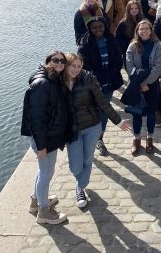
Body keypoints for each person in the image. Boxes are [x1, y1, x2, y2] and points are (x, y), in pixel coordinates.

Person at [63, 53, 131, 208]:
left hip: (92, 126)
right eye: (73, 65)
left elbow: (103, 102)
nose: (76, 69)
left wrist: (118, 121)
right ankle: (79, 180)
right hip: (72, 129)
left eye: (79, 66)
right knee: (75, 165)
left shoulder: (88, 79)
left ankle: (80, 188)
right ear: (66, 65)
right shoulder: (59, 82)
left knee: (87, 159)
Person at [21, 51, 69, 224]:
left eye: (62, 61)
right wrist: (41, 146)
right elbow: (36, 118)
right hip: (44, 138)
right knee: (46, 172)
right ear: (48, 61)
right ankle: (44, 211)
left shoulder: (53, 79)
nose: (59, 63)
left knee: (46, 172)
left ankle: (36, 200)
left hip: (50, 135)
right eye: (55, 60)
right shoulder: (42, 83)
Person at [78, 17, 124, 156]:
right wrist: (99, 78)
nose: (98, 30)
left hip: (109, 84)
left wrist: (108, 76)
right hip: (92, 86)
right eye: (94, 28)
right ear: (90, 29)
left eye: (101, 27)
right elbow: (84, 67)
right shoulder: (84, 45)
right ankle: (87, 140)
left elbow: (118, 60)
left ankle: (99, 139)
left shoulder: (111, 40)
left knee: (104, 112)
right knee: (91, 112)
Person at [125, 20, 161, 155]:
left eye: (146, 29)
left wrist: (146, 83)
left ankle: (149, 138)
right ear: (137, 31)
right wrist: (140, 84)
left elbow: (157, 67)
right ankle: (136, 139)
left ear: (151, 30)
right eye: (141, 29)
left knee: (151, 113)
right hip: (136, 86)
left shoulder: (158, 46)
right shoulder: (132, 46)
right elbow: (129, 67)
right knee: (136, 113)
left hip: (152, 86)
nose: (144, 31)